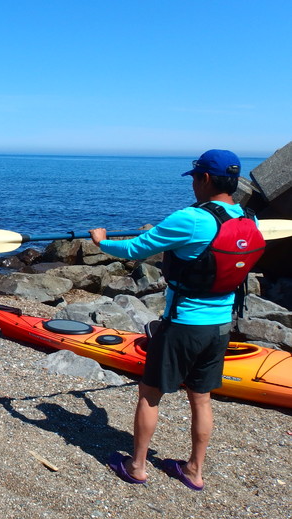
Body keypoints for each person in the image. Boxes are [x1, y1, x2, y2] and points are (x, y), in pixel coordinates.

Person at [90, 149, 261, 490]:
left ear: (206, 178)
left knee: (150, 393)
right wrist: (159, 232)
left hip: (183, 324)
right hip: (221, 325)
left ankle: (136, 466)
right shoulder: (247, 218)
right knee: (201, 397)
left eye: (195, 178)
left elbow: (134, 250)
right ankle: (194, 471)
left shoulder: (191, 218)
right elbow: (195, 247)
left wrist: (102, 241)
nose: (194, 185)